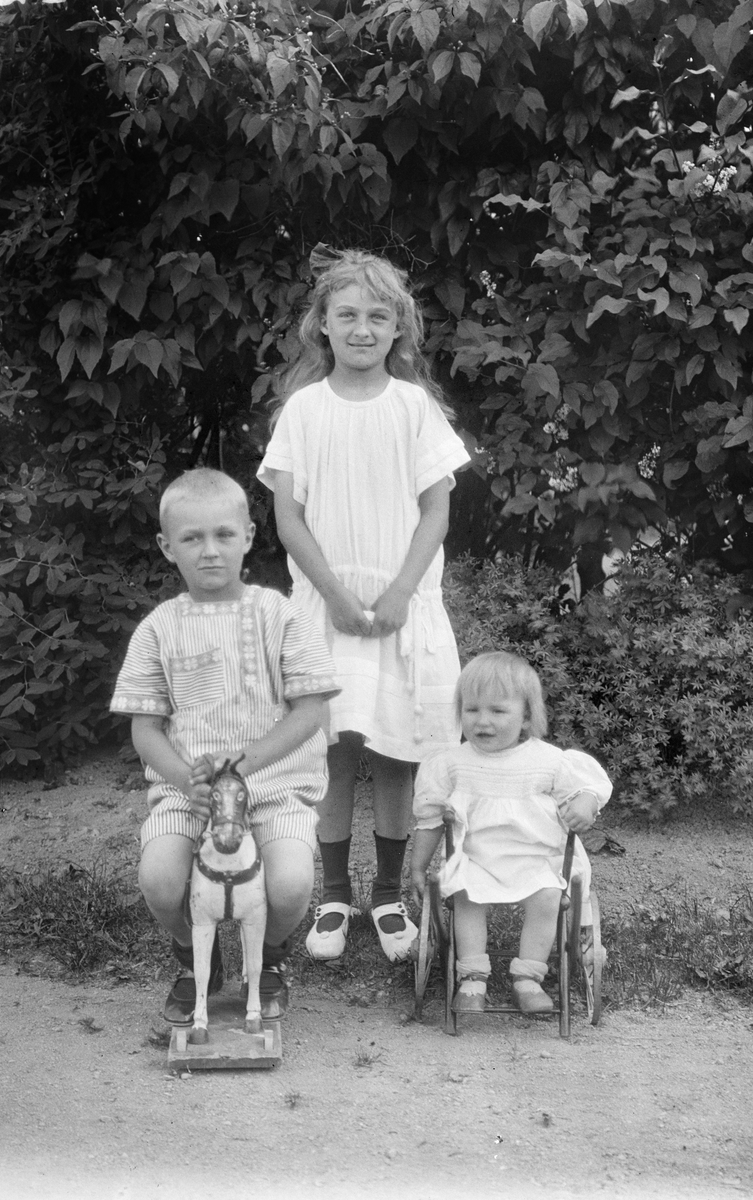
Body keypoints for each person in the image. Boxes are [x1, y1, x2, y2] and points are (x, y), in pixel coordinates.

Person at [257, 246, 471, 963]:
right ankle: (332, 895)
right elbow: (289, 520)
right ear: (320, 325)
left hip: (401, 604)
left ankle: (385, 892)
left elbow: (435, 511)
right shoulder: (304, 411)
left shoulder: (415, 408)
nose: (360, 328)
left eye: (377, 317)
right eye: (345, 315)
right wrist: (338, 597)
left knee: (393, 748)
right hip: (328, 604)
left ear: (398, 329)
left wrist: (400, 591)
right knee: (334, 751)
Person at [110, 468, 339, 1023]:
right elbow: (146, 729)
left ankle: (271, 958)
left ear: (249, 536)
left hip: (272, 786)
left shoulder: (282, 615)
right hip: (189, 792)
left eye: (223, 535)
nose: (209, 552)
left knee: (289, 884)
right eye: (191, 538)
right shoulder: (158, 627)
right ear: (168, 547)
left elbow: (312, 709)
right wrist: (187, 778)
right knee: (161, 879)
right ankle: (195, 958)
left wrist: (246, 761)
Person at [410, 652, 612, 1014]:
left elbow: (587, 787)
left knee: (549, 897)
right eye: (471, 710)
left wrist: (586, 802)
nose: (482, 721)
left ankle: (528, 977)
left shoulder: (548, 761)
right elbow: (428, 818)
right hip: (476, 860)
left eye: (497, 711)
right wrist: (417, 866)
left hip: (536, 861)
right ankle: (472, 977)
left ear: (526, 717)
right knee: (465, 894)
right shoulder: (453, 764)